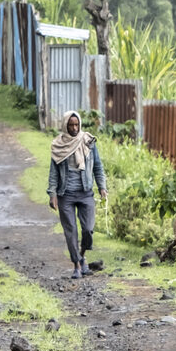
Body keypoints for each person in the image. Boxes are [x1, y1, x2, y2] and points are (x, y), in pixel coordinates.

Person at [47, 111, 107, 279]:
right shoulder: (58, 145)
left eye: (76, 125)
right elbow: (53, 173)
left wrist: (102, 187)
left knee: (88, 229)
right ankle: (77, 265)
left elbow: (98, 167)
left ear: (80, 125)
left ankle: (82, 255)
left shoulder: (88, 142)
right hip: (65, 194)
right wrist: (52, 194)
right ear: (66, 125)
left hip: (86, 193)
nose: (74, 128)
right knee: (71, 231)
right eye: (71, 125)